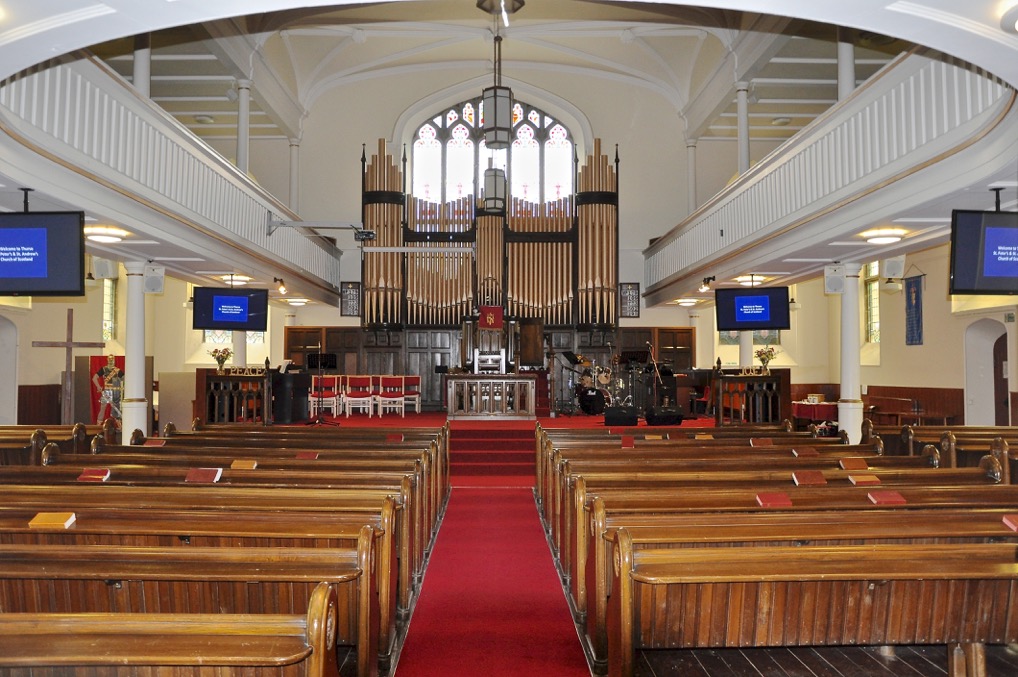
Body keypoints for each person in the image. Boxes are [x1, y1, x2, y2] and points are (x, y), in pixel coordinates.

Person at [93, 354, 124, 425]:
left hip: (115, 392)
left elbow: (124, 380)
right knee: (103, 409)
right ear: (107, 360)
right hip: (107, 391)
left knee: (116, 409)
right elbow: (94, 378)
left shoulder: (118, 371)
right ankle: (98, 426)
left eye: (112, 359)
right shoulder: (104, 369)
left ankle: (120, 426)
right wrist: (98, 386)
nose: (111, 360)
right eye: (109, 359)